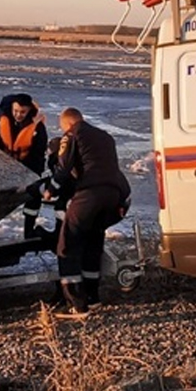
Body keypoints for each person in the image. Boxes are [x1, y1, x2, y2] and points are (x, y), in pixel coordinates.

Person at [47, 107, 130, 320]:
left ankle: (76, 305)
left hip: (90, 192)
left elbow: (64, 168)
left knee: (68, 243)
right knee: (93, 240)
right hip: (114, 194)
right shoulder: (105, 137)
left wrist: (51, 189)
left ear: (66, 123)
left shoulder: (72, 135)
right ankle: (92, 297)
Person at [0, 92, 49, 235]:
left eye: (22, 112)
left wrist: (30, 175)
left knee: (35, 194)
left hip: (29, 165)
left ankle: (29, 229)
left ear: (29, 110)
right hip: (5, 163)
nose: (18, 114)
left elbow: (39, 154)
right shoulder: (3, 120)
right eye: (15, 111)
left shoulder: (38, 127)